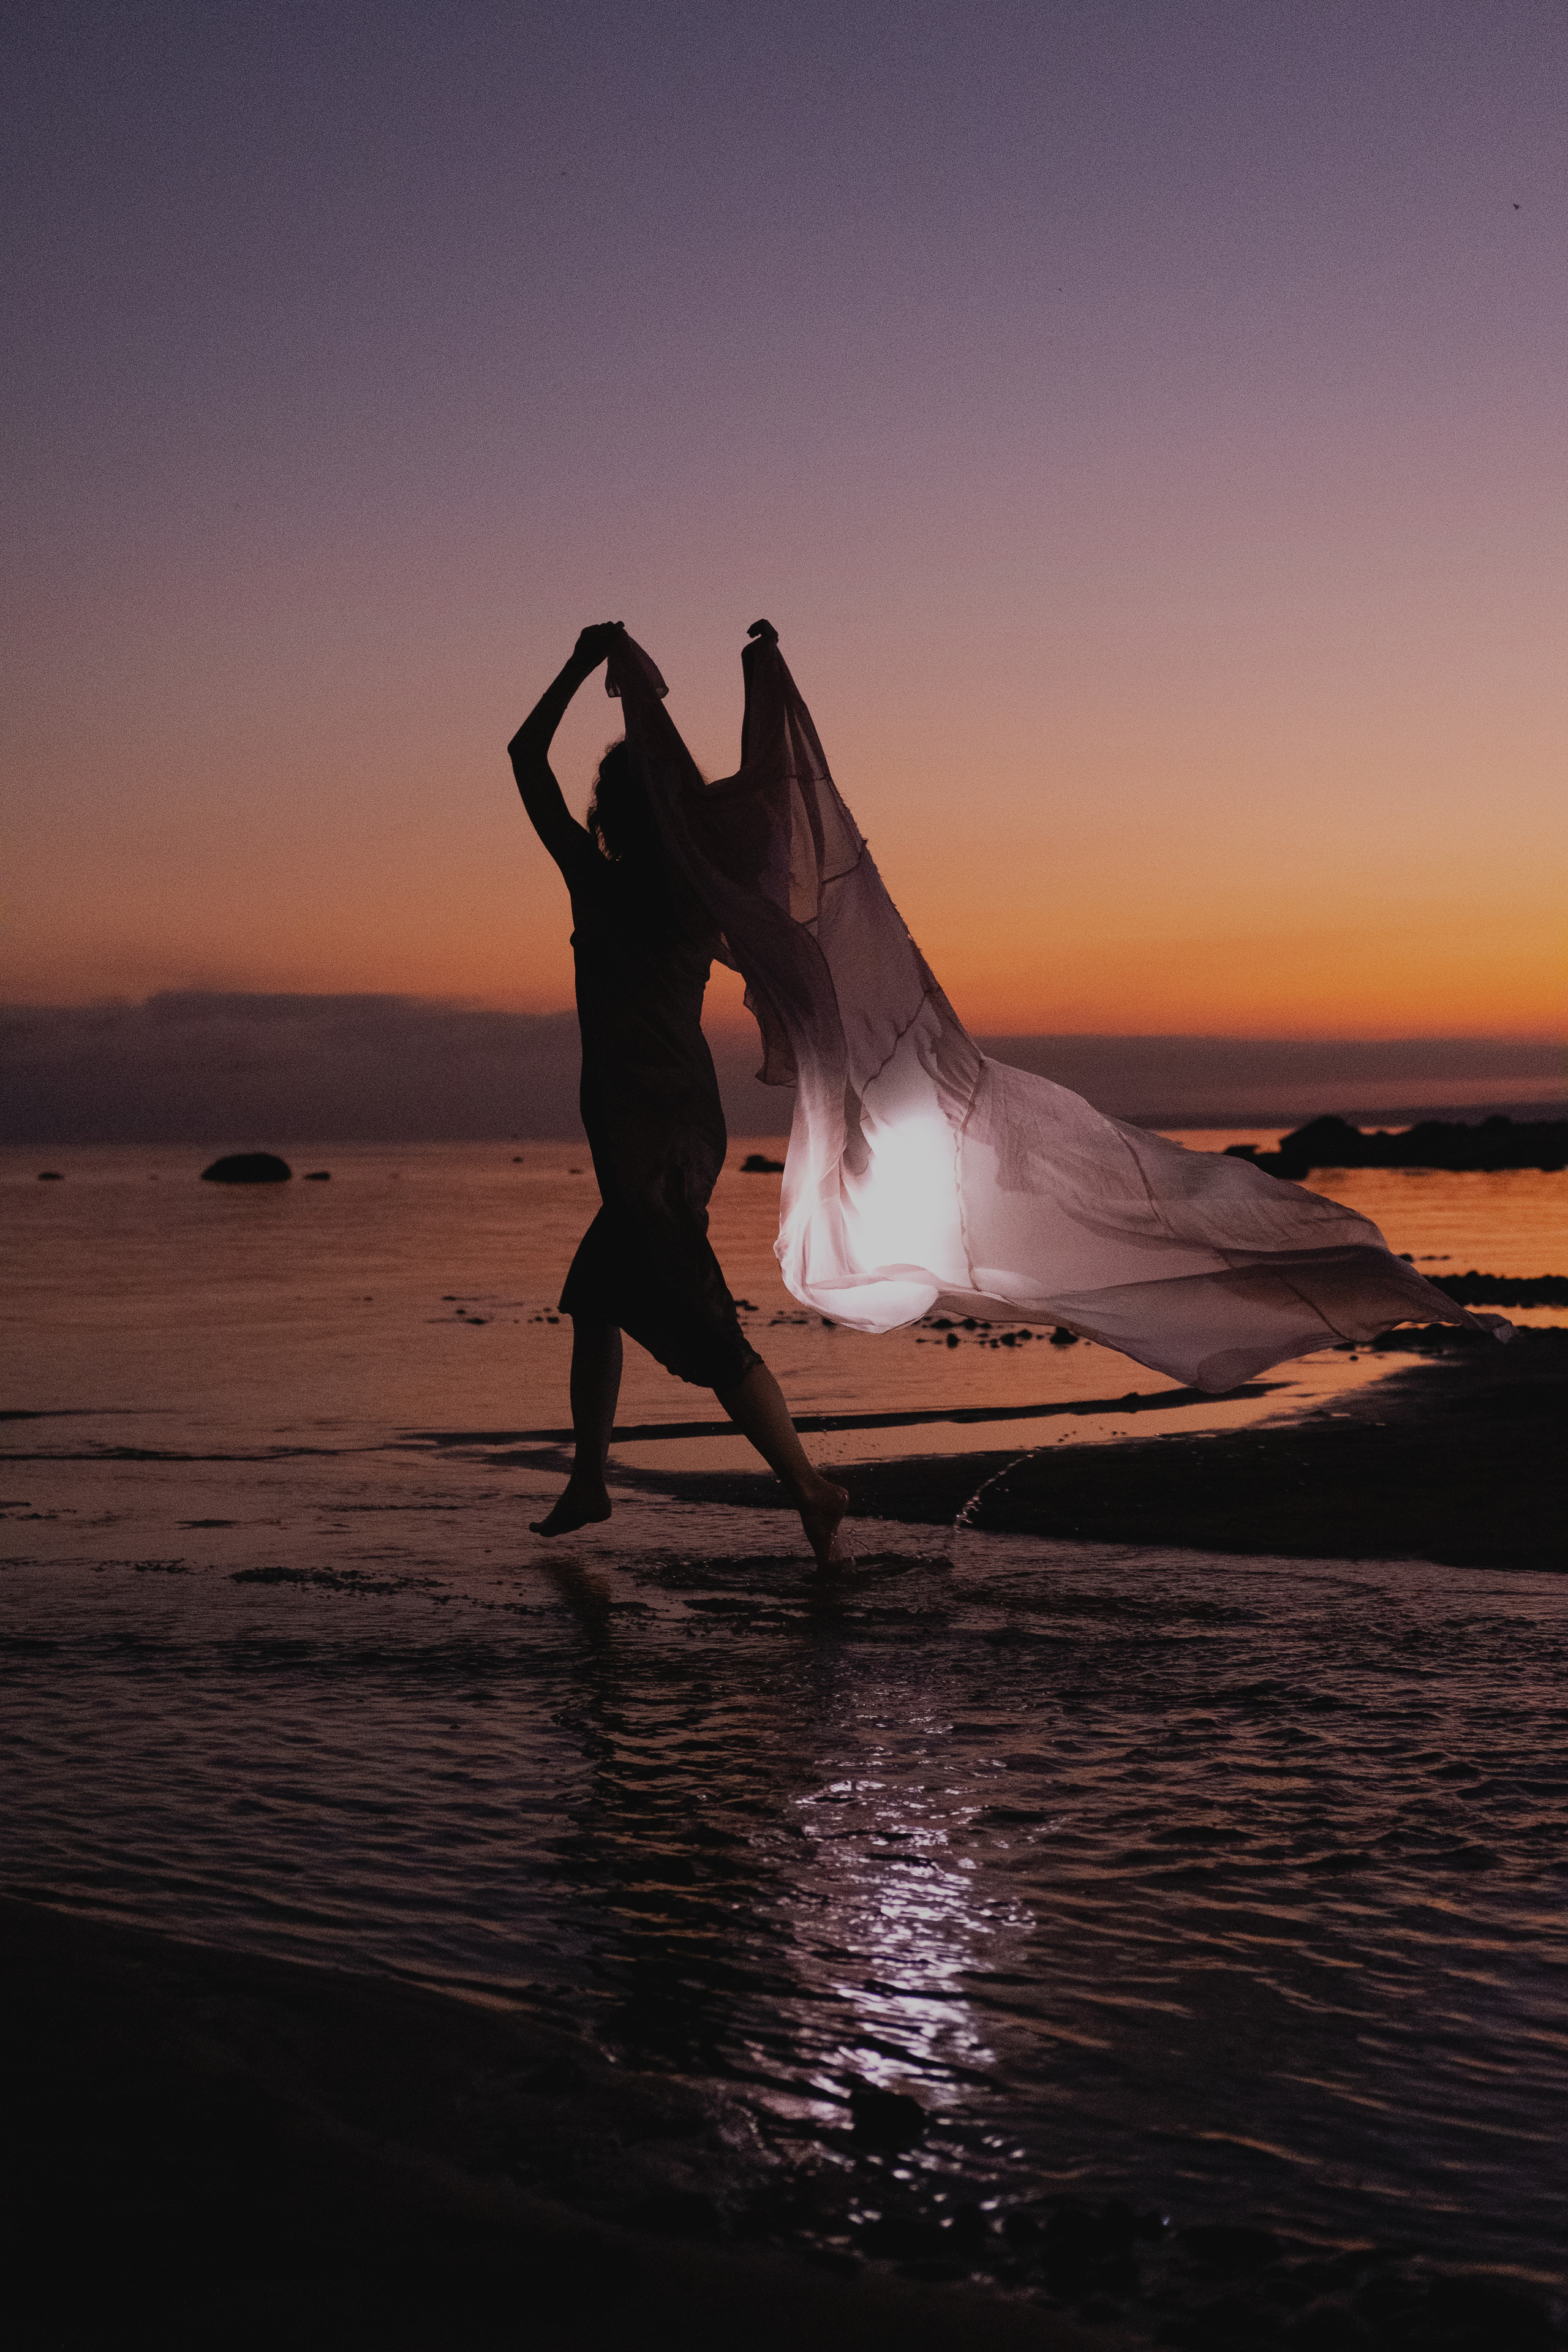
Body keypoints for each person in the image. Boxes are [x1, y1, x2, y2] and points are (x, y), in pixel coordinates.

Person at [508, 623, 851, 1570]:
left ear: (612, 817)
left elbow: (523, 757)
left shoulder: (601, 886)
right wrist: (756, 676)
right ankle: (590, 1480)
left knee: (699, 1322)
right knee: (598, 1295)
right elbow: (763, 802)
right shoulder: (696, 901)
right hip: (667, 1125)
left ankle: (810, 1488)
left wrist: (580, 664)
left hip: (654, 1135)